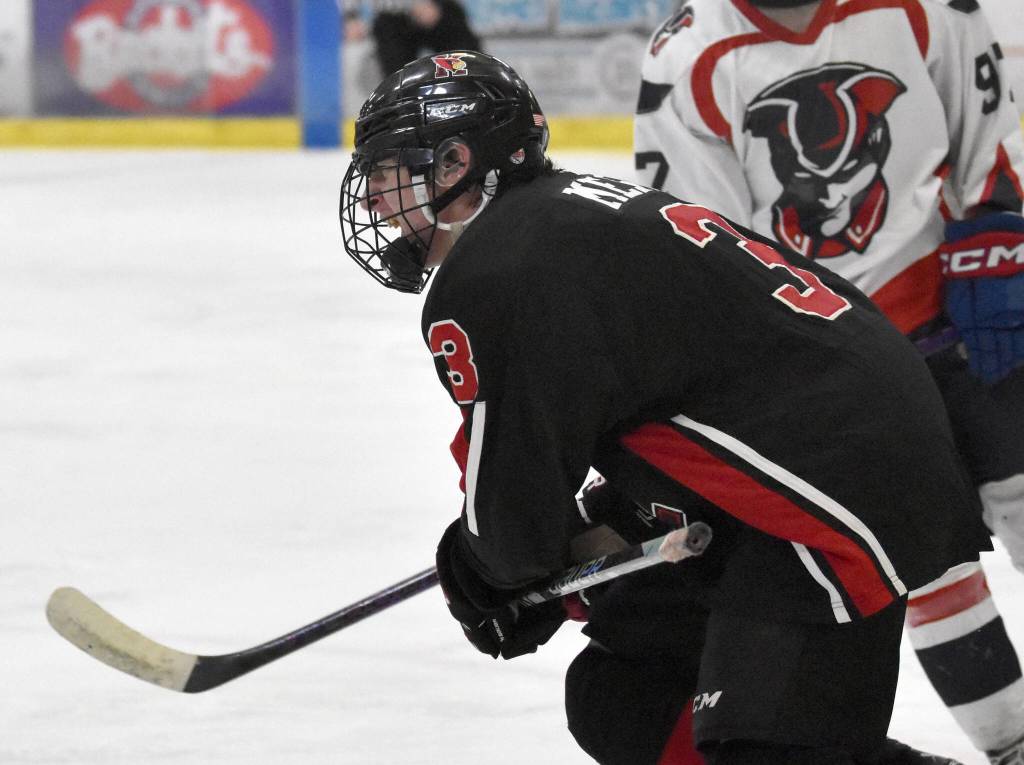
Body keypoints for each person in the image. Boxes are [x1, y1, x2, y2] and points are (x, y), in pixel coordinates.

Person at [339, 51, 988, 763]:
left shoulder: (494, 272)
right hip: (826, 456)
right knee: (626, 693)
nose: (373, 198)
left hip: (829, 486)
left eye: (386, 169)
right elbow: (698, 391)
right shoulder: (564, 217)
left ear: (456, 162)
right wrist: (597, 523)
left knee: (763, 749)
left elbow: (513, 526)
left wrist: (489, 569)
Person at [633, 1, 1024, 762]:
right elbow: (705, 257)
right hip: (826, 369)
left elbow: (988, 149)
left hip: (957, 319)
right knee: (929, 557)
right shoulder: (689, 55)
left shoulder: (927, 7)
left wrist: (1000, 238)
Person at [345, 0, 482, 79]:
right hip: (392, 16)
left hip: (439, 11)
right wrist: (351, 17)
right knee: (398, 77)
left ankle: (469, 99)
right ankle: (402, 109)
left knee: (465, 62)